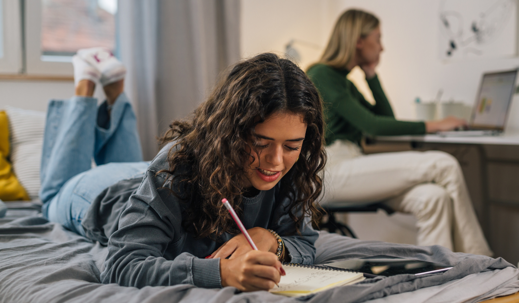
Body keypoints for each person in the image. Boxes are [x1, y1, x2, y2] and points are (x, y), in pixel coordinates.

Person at [39, 49, 326, 291]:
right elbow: (122, 264)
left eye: (291, 146)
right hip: (104, 193)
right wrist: (222, 272)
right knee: (52, 195)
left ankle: (115, 90)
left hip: (147, 175)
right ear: (229, 133)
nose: (276, 161)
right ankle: (85, 87)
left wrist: (271, 239)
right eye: (260, 143)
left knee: (148, 171)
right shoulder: (176, 168)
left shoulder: (290, 170)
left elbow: (306, 244)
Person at [306, 9, 492, 256]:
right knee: (444, 164)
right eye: (378, 38)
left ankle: (439, 273)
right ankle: (478, 258)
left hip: (351, 163)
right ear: (358, 41)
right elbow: (373, 125)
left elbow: (385, 119)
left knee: (433, 197)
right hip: (328, 170)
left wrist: (371, 75)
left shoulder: (346, 83)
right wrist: (435, 124)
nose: (382, 47)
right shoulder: (322, 74)